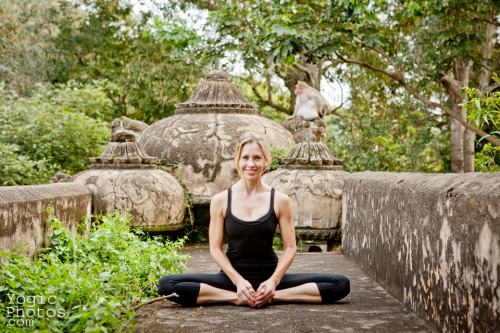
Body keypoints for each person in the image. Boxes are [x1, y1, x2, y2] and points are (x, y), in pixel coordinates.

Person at [158, 135, 350, 307]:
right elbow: (215, 249)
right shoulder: (220, 201)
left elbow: (290, 247)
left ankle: (273, 297)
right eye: (245, 158)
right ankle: (235, 298)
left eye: (257, 158)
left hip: (271, 279)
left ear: (266, 161)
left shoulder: (280, 200)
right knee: (167, 285)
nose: (251, 164)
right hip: (231, 281)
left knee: (340, 284)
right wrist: (238, 283)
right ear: (236, 160)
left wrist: (273, 283)